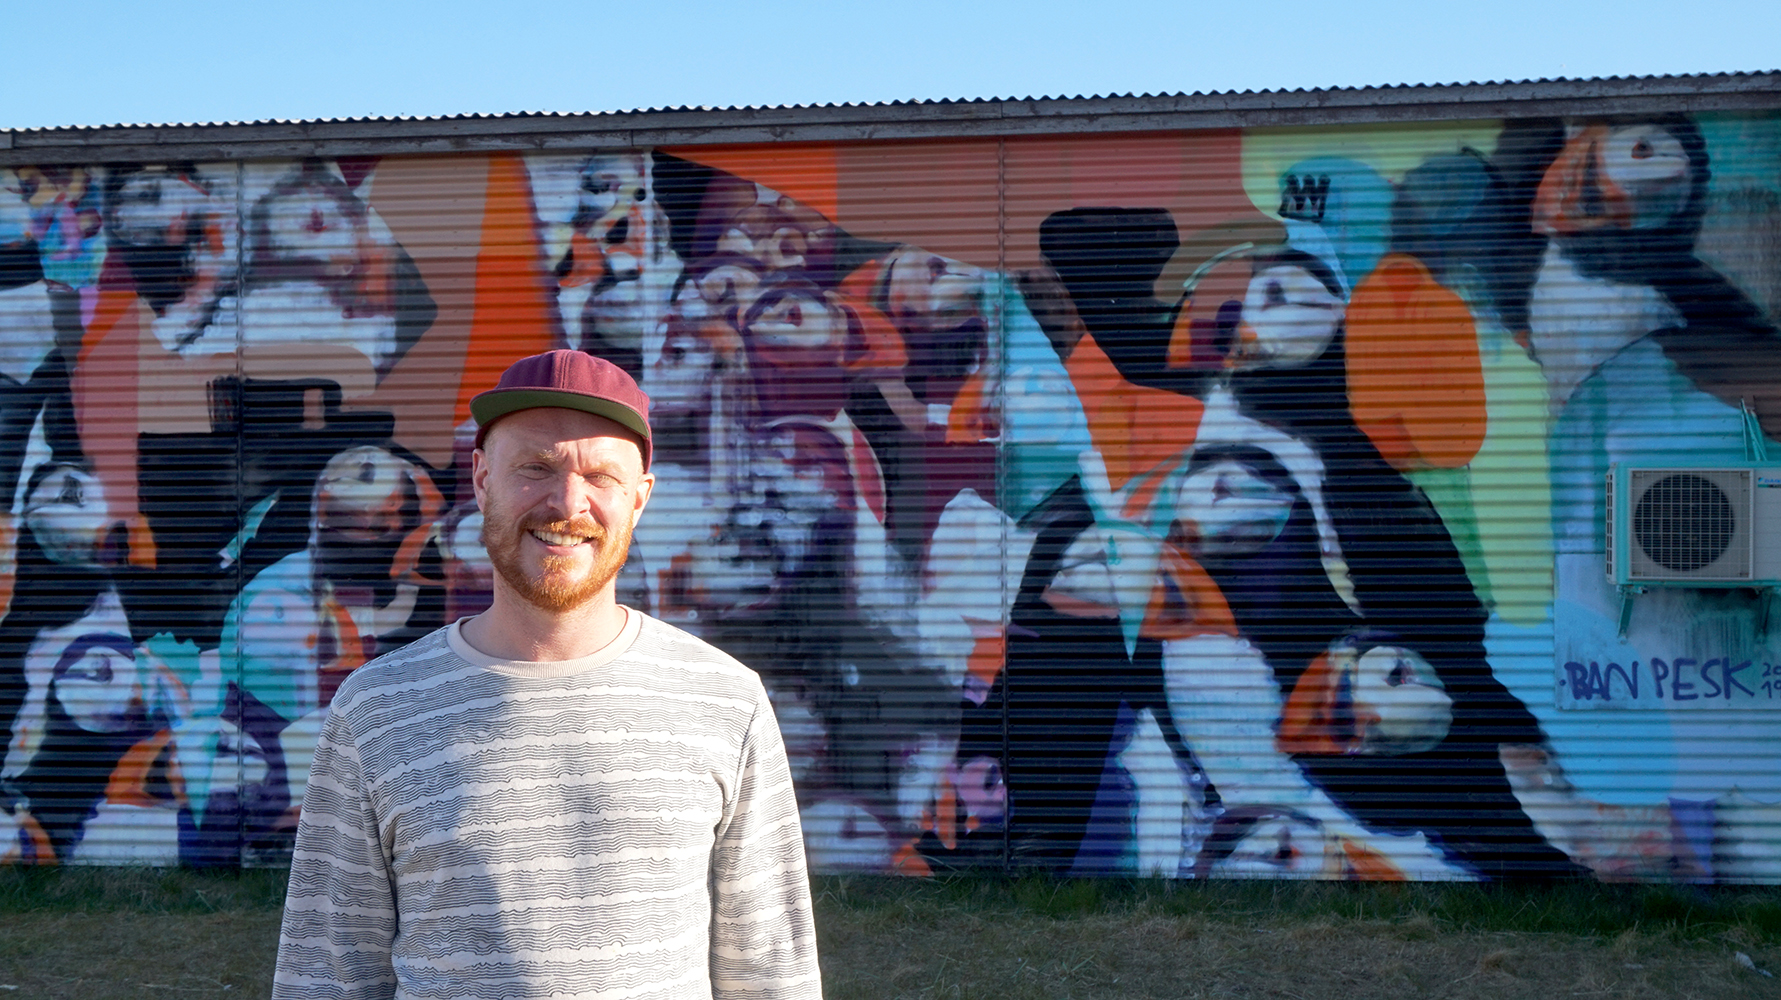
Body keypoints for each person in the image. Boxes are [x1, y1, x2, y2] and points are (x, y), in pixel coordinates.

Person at [272, 349, 821, 999]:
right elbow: (325, 974)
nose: (567, 502)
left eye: (601, 476)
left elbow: (771, 972)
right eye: (535, 467)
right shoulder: (375, 709)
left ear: (639, 499)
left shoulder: (725, 701)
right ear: (482, 481)